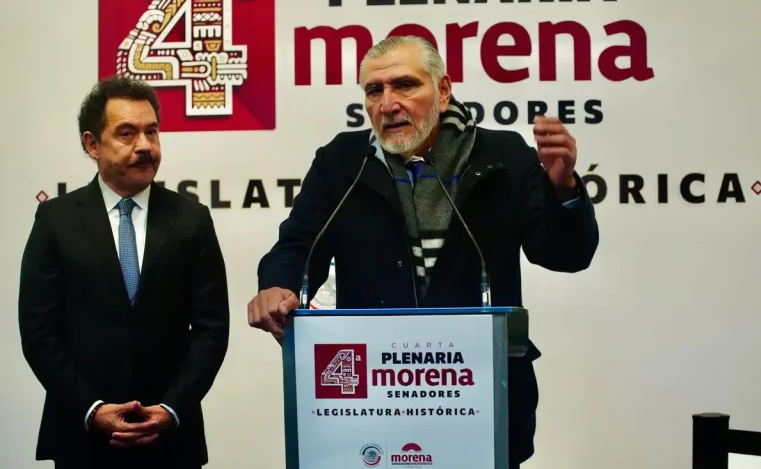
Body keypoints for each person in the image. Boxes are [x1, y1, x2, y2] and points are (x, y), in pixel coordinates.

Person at [248, 35, 599, 466]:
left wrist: (562, 189)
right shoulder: (343, 161)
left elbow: (565, 256)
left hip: (480, 394)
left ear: (443, 90)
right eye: (374, 90)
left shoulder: (503, 156)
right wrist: (278, 284)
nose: (387, 104)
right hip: (373, 400)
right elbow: (299, 244)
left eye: (404, 85)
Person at [18, 76, 230, 469]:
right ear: (92, 144)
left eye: (152, 131)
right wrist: (92, 409)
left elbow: (212, 329)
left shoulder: (191, 219)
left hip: (170, 440)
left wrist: (171, 408)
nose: (145, 145)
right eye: (127, 133)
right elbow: (39, 332)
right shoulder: (55, 220)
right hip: (82, 438)